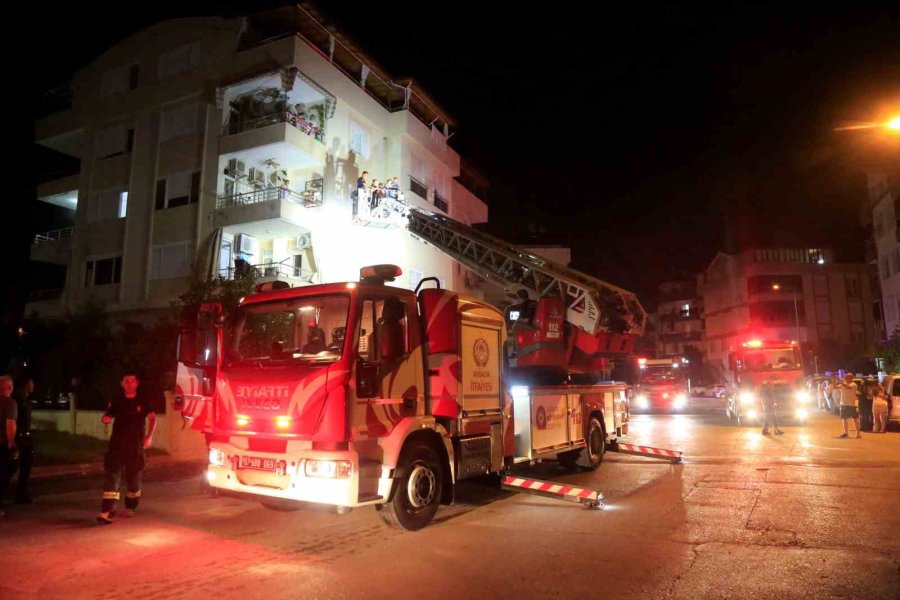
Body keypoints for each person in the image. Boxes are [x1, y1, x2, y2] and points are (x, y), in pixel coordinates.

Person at [97, 372, 157, 525]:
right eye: (126, 381)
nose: (129, 383)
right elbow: (109, 414)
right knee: (112, 477)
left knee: (134, 482)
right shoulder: (117, 400)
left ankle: (131, 504)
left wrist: (149, 437)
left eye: (132, 381)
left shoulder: (143, 401)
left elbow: (152, 418)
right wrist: (106, 418)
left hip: (136, 446)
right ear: (122, 384)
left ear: (136, 384)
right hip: (116, 445)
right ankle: (107, 511)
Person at [10, 375, 35, 504]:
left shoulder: (26, 401)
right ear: (26, 385)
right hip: (18, 437)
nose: (33, 386)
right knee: (11, 466)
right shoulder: (16, 401)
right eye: (31, 383)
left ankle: (22, 493)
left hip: (26, 437)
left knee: (26, 467)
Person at [0, 375, 16, 517]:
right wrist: (11, 443)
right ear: (9, 388)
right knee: (5, 472)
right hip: (2, 444)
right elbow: (10, 423)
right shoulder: (9, 403)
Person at [836, 372, 861, 439]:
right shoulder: (843, 384)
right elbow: (835, 387)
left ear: (851, 378)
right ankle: (846, 433)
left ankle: (858, 433)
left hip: (852, 404)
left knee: (855, 419)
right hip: (843, 404)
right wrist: (833, 380)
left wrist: (840, 382)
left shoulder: (853, 384)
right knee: (844, 419)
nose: (847, 378)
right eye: (846, 377)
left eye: (849, 377)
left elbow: (848, 387)